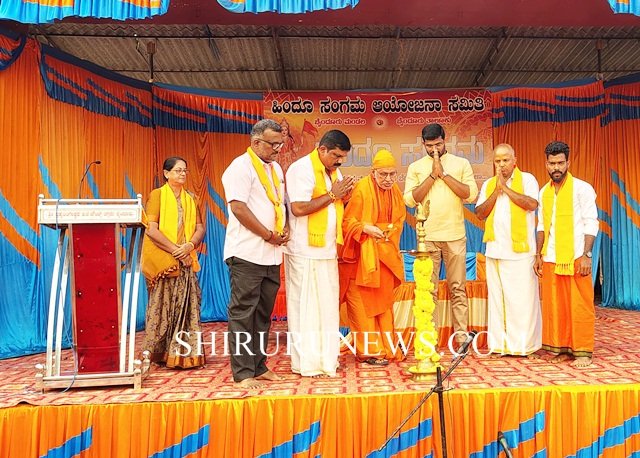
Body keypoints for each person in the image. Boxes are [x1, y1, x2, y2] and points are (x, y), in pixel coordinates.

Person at [221, 119, 289, 388]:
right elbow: (238, 208)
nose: (278, 149)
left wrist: (283, 230)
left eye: (280, 144)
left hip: (271, 253)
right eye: (273, 144)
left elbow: (279, 204)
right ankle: (243, 373)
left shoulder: (276, 168)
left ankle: (259, 366)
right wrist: (267, 234)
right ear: (256, 142)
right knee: (243, 313)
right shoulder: (239, 167)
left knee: (262, 314)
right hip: (247, 253)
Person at [285, 129, 356, 377]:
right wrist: (333, 194)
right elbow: (298, 208)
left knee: (327, 307)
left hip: (327, 250)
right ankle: (306, 363)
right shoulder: (301, 169)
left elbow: (335, 203)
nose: (340, 161)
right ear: (322, 149)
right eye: (336, 155)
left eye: (343, 157)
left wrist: (343, 197)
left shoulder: (333, 172)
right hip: (304, 250)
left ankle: (327, 361)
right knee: (305, 308)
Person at [403, 123, 478, 346]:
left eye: (438, 144)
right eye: (429, 146)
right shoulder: (416, 167)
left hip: (455, 235)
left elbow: (470, 195)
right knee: (429, 290)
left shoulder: (461, 163)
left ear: (445, 141)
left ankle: (462, 338)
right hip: (427, 238)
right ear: (423, 144)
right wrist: (431, 176)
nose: (434, 149)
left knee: (458, 288)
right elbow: (410, 200)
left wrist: (443, 175)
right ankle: (429, 339)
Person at [534, 141, 599, 368]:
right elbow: (542, 225)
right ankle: (561, 349)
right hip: (551, 257)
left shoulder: (582, 188)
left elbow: (591, 222)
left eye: (560, 163)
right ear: (546, 164)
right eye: (552, 163)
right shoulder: (544, 192)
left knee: (580, 306)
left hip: (576, 257)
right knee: (556, 307)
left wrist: (587, 255)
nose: (556, 168)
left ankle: (583, 351)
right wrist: (538, 254)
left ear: (568, 163)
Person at [339, 149, 407, 365]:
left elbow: (398, 221)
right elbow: (347, 223)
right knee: (362, 308)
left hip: (384, 255)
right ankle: (369, 352)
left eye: (392, 174)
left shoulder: (395, 192)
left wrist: (386, 233)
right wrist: (366, 228)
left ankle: (387, 347)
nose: (388, 179)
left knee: (384, 306)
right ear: (373, 173)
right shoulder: (361, 189)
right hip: (362, 258)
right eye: (383, 174)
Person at [475, 144, 541, 356]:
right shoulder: (489, 184)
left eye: (505, 160)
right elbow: (480, 213)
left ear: (515, 161)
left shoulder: (528, 180)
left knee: (522, 301)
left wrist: (506, 189)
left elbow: (531, 204)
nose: (501, 164)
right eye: (498, 161)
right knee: (498, 301)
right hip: (495, 250)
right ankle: (500, 345)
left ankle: (525, 346)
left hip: (521, 252)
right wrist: (497, 190)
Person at [141, 156, 206, 369]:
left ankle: (184, 354)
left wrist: (189, 246)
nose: (183, 174)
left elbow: (200, 228)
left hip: (186, 258)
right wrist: (176, 251)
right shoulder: (157, 195)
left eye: (185, 170)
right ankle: (160, 352)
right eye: (178, 170)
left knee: (188, 307)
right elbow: (151, 229)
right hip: (165, 259)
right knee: (163, 306)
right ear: (166, 173)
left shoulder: (191, 198)